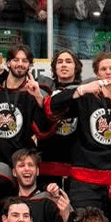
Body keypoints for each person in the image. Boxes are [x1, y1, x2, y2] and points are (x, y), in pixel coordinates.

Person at [47, 51, 111, 222]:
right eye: (103, 69)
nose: (108, 72)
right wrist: (80, 89)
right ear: (97, 74)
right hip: (86, 180)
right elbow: (52, 106)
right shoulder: (85, 97)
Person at [0, 44, 48, 165]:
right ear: (8, 63)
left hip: (21, 165)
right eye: (16, 60)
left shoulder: (37, 94)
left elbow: (45, 128)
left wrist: (38, 97)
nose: (20, 64)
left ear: (31, 65)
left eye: (25, 61)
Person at [35, 49, 82, 186]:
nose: (64, 65)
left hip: (74, 165)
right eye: (60, 62)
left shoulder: (84, 91)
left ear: (76, 67)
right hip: (47, 163)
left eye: (68, 61)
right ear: (54, 68)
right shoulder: (43, 89)